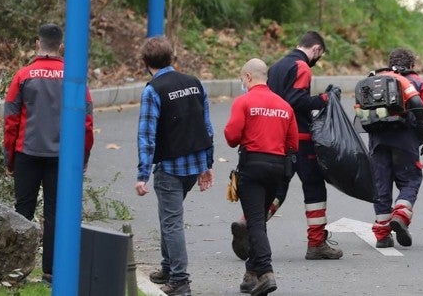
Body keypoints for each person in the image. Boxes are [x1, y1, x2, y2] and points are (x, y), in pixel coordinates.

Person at [230, 31, 342, 261]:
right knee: (314, 187)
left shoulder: (277, 66)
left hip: (275, 139)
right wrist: (324, 99)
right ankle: (316, 242)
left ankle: (247, 223)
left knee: (278, 188)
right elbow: (294, 101)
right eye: (319, 55)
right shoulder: (302, 67)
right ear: (316, 50)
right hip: (298, 137)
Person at [3, 23, 94, 283]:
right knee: (55, 212)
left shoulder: (22, 76)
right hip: (62, 158)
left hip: (26, 152)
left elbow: (10, 121)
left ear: (36, 43)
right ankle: (51, 272)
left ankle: (17, 271)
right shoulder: (74, 76)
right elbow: (86, 123)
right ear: (61, 46)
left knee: (23, 210)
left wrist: (9, 157)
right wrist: (82, 156)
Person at [135, 36, 214, 296]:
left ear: (146, 62)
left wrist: (142, 174)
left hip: (169, 167)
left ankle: (180, 280)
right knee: (169, 216)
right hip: (193, 166)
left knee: (171, 222)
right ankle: (168, 267)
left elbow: (146, 136)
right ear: (172, 58)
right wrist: (207, 163)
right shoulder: (194, 83)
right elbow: (206, 127)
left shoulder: (152, 91)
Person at [224, 58, 298, 295]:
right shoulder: (285, 106)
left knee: (255, 222)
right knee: (259, 221)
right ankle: (251, 274)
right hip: (276, 169)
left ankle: (266, 272)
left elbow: (232, 136)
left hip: (252, 167)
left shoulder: (244, 102)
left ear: (247, 77)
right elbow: (292, 143)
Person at [365, 49, 423, 248]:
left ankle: (382, 235)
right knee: (411, 179)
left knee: (381, 186)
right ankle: (401, 214)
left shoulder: (373, 80)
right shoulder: (417, 83)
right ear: (412, 65)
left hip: (377, 140)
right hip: (405, 139)